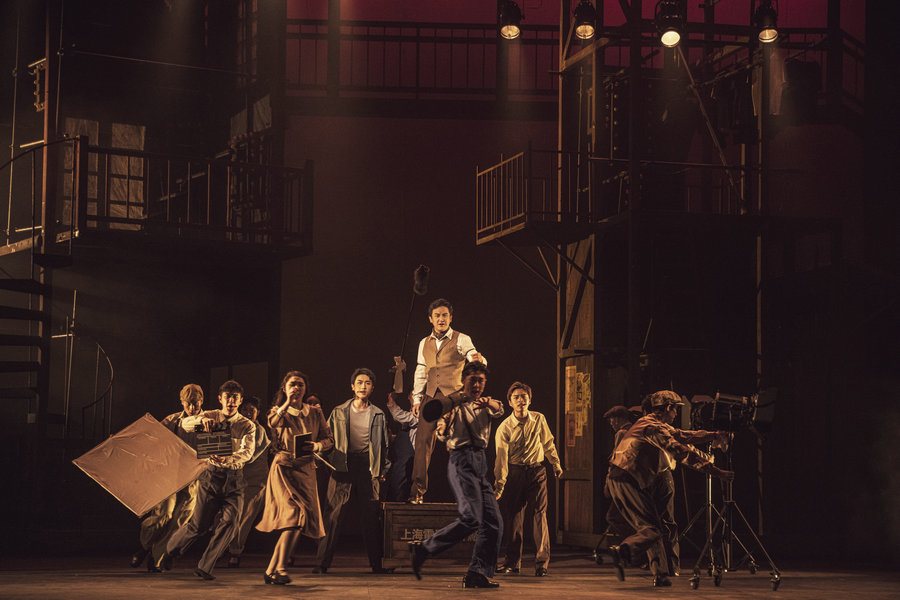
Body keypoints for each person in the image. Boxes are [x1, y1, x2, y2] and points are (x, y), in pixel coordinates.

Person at [605, 390, 732, 587]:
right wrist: (717, 472)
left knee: (653, 527)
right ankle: (623, 551)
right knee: (651, 529)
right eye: (675, 410)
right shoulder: (652, 428)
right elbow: (681, 451)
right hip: (626, 479)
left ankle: (660, 574)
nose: (676, 414)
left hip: (629, 479)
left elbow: (684, 435)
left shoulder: (653, 423)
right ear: (668, 408)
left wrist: (713, 435)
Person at [409, 362, 504, 588]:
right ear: (463, 381)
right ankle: (424, 549)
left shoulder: (487, 403)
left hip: (480, 463)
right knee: (472, 518)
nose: (477, 385)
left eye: (481, 381)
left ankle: (477, 573)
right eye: (473, 380)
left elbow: (499, 409)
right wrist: (445, 424)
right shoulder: (453, 405)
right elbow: (439, 425)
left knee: (494, 522)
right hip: (461, 461)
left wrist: (487, 402)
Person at [159, 380, 257, 581]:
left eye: (235, 397)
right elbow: (184, 424)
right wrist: (201, 421)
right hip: (211, 477)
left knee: (231, 522)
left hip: (234, 480)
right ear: (220, 399)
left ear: (240, 401)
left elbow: (247, 452)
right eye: (227, 397)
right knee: (198, 526)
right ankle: (171, 550)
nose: (231, 401)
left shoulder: (247, 425)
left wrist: (228, 459)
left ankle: (205, 566)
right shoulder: (210, 415)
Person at [256, 371, 333, 585]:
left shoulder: (315, 412)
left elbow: (329, 439)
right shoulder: (278, 411)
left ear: (305, 388)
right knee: (293, 515)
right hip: (284, 468)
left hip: (306, 469)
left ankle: (270, 569)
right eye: (292, 384)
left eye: (300, 384)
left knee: (300, 521)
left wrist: (317, 446)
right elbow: (272, 423)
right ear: (285, 388)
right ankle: (281, 568)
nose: (296, 388)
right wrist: (286, 403)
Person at [409, 298, 486, 504]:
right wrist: (417, 398)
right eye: (437, 315)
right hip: (431, 396)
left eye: (444, 315)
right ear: (430, 319)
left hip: (454, 396)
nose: (441, 319)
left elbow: (473, 356)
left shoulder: (462, 338)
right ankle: (417, 492)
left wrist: (478, 361)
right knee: (422, 444)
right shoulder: (424, 342)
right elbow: (420, 371)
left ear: (451, 318)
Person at [315, 368, 391, 573]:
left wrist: (382, 469)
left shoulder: (378, 414)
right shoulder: (339, 411)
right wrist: (324, 460)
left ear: (372, 388)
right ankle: (322, 563)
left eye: (367, 383)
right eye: (359, 382)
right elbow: (327, 438)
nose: (363, 386)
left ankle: (377, 565)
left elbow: (384, 445)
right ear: (352, 386)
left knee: (371, 517)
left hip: (368, 466)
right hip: (343, 465)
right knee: (333, 515)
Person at [130, 384, 204, 572]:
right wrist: (126, 440)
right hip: (170, 475)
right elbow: (149, 437)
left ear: (201, 401)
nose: (192, 407)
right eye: (188, 403)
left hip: (194, 479)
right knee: (164, 514)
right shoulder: (172, 421)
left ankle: (156, 559)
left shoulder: (209, 421)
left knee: (180, 521)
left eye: (195, 403)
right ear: (182, 402)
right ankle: (145, 546)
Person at [493, 382, 563, 577]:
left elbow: (548, 443)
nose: (520, 400)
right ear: (510, 402)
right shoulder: (504, 428)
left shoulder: (539, 419)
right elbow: (501, 459)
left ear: (530, 400)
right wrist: (500, 485)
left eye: (524, 396)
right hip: (515, 473)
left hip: (536, 471)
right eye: (516, 397)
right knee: (514, 517)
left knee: (540, 514)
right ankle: (512, 562)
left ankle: (542, 563)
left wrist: (555, 463)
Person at [226, 396, 271, 567]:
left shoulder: (259, 430)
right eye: (245, 409)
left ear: (258, 412)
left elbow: (249, 456)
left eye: (252, 410)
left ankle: (235, 552)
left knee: (245, 517)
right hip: (237, 480)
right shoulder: (236, 428)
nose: (248, 413)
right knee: (231, 515)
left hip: (256, 482)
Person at [385, 392, 417, 502]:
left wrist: (391, 402)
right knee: (396, 476)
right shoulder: (411, 413)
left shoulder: (421, 412)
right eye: (414, 394)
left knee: (403, 478)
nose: (417, 398)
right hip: (400, 458)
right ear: (409, 397)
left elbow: (402, 417)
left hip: (409, 457)